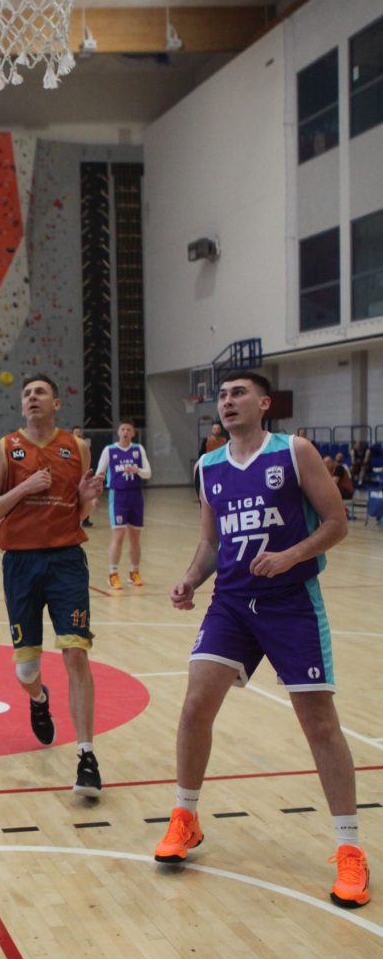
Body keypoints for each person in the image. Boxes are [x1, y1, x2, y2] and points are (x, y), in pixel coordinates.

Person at [154, 371, 370, 908]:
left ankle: (350, 850)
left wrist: (290, 556)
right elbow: (211, 542)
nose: (227, 401)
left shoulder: (294, 452)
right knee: (195, 707)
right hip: (231, 603)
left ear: (264, 403)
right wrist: (190, 579)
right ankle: (185, 817)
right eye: (223, 395)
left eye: (239, 393)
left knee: (319, 724)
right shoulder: (209, 465)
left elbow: (336, 522)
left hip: (291, 603)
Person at [0, 375, 105, 796]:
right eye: (27, 394)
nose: (32, 398)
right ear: (22, 406)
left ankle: (86, 757)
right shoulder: (6, 448)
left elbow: (80, 513)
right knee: (27, 669)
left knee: (76, 654)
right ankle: (38, 699)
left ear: (56, 403)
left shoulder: (77, 447)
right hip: (20, 564)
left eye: (40, 393)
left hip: (66, 560)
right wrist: (25, 488)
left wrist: (85, 498)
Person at [96, 420, 152, 589]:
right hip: (118, 495)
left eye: (129, 429)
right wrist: (94, 495)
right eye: (123, 429)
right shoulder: (109, 450)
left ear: (133, 433)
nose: (126, 432)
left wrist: (138, 470)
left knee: (135, 537)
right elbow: (100, 473)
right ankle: (113, 574)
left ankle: (134, 572)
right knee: (119, 536)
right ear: (118, 432)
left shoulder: (138, 449)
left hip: (136, 495)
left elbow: (148, 473)